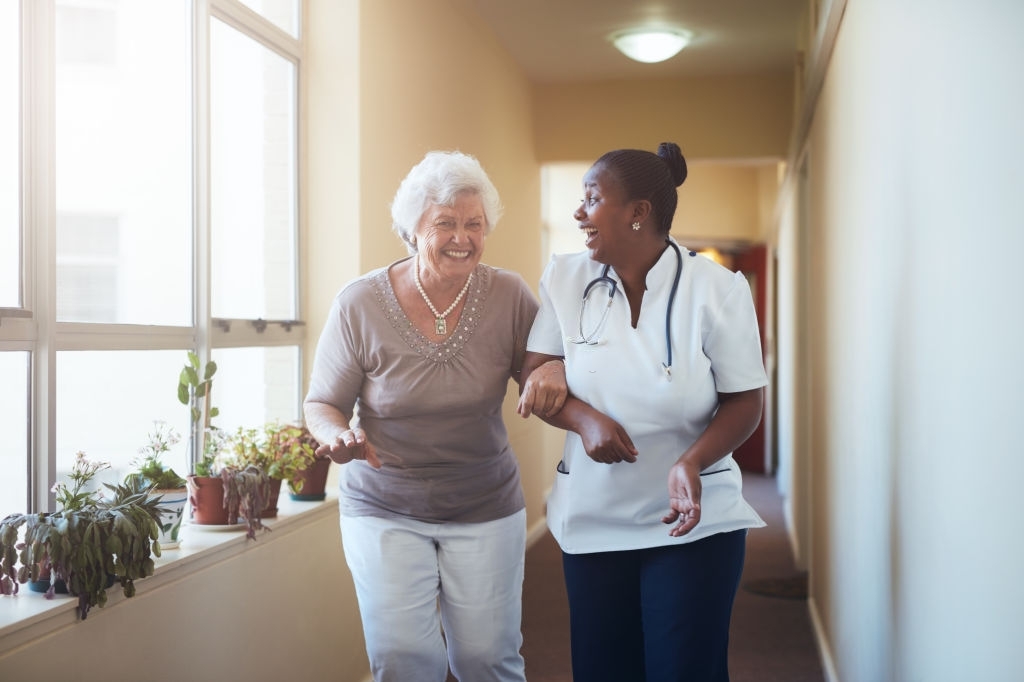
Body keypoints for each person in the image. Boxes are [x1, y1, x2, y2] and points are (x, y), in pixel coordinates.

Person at [303, 150, 564, 682]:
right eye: (445, 223)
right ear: (412, 229)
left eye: (475, 224)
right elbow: (322, 403)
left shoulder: (509, 294)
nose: (462, 237)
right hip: (383, 503)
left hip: (484, 502)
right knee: (404, 662)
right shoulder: (359, 304)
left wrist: (552, 369)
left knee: (487, 660)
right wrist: (338, 435)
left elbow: (542, 367)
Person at [517, 142, 768, 682]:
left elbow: (746, 400)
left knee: (685, 669)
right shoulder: (564, 278)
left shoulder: (717, 289)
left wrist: (693, 461)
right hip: (594, 514)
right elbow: (536, 377)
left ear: (638, 213)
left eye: (591, 198)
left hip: (692, 520)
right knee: (604, 669)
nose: (578, 213)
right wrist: (585, 419)